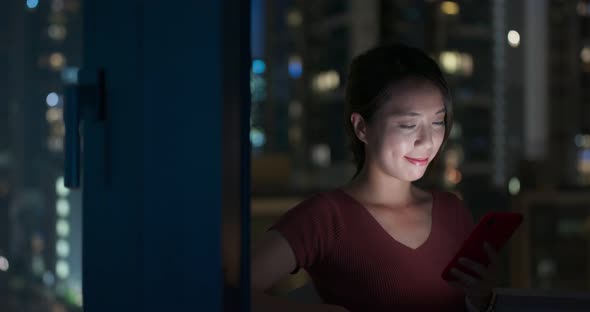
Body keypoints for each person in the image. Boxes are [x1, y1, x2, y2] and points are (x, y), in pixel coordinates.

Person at [251, 43, 500, 312]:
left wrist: (482, 300)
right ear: (361, 127)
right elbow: (225, 293)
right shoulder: (326, 218)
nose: (427, 141)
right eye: (408, 124)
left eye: (438, 122)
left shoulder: (453, 212)